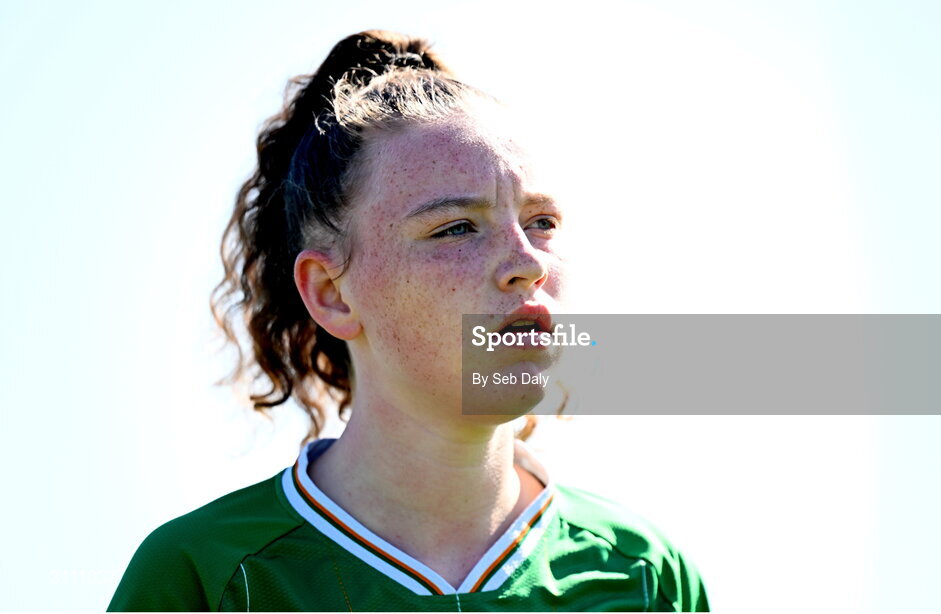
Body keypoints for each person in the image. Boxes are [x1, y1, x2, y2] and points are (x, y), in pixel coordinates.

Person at [108, 30, 709, 612]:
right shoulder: (208, 578)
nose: (528, 263)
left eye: (541, 223)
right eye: (455, 228)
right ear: (332, 294)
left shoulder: (647, 575)